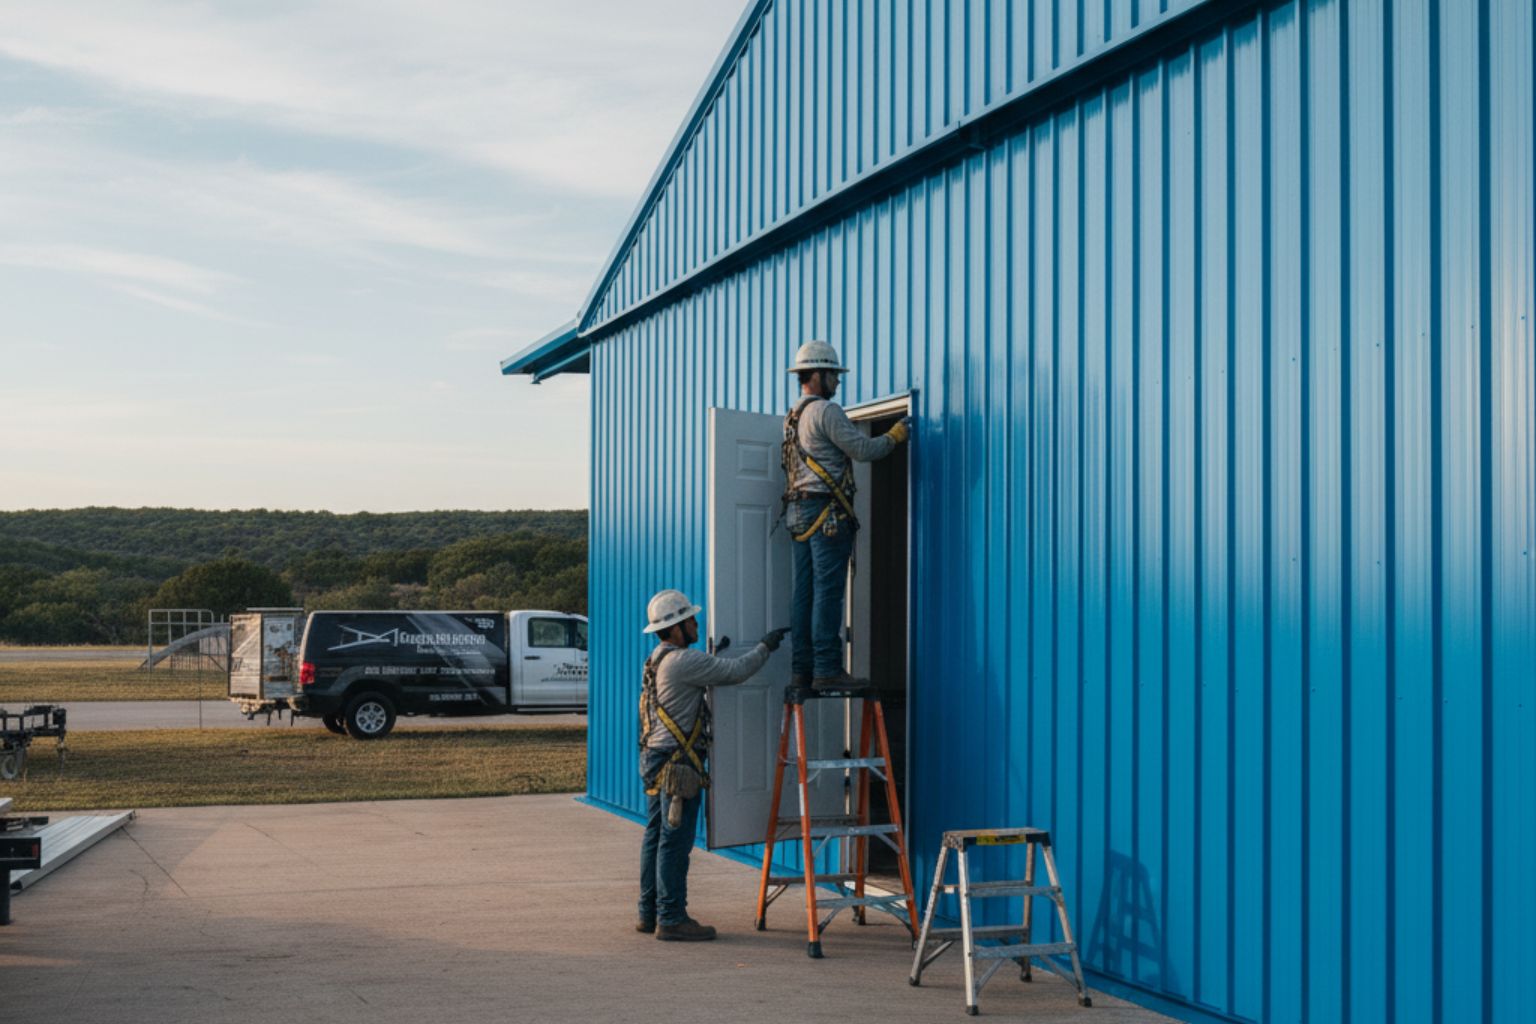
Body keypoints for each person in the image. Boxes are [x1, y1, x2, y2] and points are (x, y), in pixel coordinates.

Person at [636, 587, 788, 941]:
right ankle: (671, 919)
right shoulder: (684, 662)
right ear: (675, 628)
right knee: (675, 842)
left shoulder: (659, 657)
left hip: (656, 758)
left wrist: (710, 657)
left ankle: (649, 912)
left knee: (656, 837)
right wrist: (765, 647)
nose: (695, 623)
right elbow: (735, 672)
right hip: (678, 764)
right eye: (690, 620)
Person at [781, 340, 909, 689]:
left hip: (799, 511)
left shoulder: (794, 415)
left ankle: (802, 669)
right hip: (826, 513)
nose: (837, 383)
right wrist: (894, 437)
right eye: (834, 376)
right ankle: (827, 669)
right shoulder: (826, 412)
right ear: (818, 375)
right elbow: (863, 449)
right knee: (828, 591)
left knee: (803, 593)